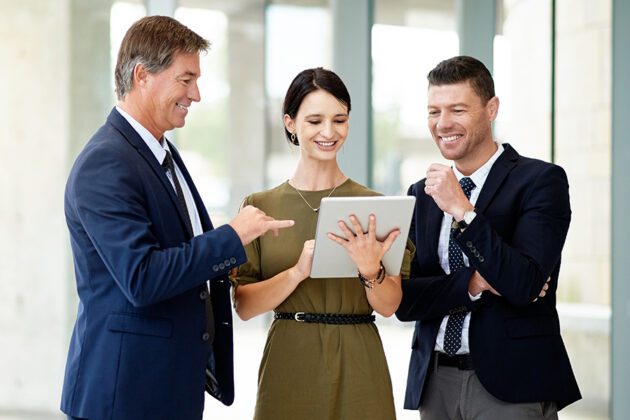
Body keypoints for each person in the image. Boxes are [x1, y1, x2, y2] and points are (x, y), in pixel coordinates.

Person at [60, 16, 293, 420]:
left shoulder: (159, 151)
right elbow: (142, 278)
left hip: (166, 389)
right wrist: (231, 238)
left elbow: (180, 256)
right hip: (124, 396)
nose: (196, 94)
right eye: (185, 80)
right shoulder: (105, 163)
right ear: (142, 75)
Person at [396, 55, 581, 419]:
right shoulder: (421, 193)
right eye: (433, 111)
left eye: (457, 110)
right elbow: (405, 301)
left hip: (511, 383)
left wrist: (464, 211)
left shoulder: (540, 182)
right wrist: (475, 282)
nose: (443, 123)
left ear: (491, 108)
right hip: (435, 382)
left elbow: (522, 283)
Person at [232, 67, 409, 420]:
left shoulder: (375, 206)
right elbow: (244, 306)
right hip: (289, 357)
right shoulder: (259, 207)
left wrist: (370, 268)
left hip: (360, 359)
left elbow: (389, 306)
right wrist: (296, 273)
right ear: (290, 123)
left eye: (339, 120)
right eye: (314, 121)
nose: (329, 132)